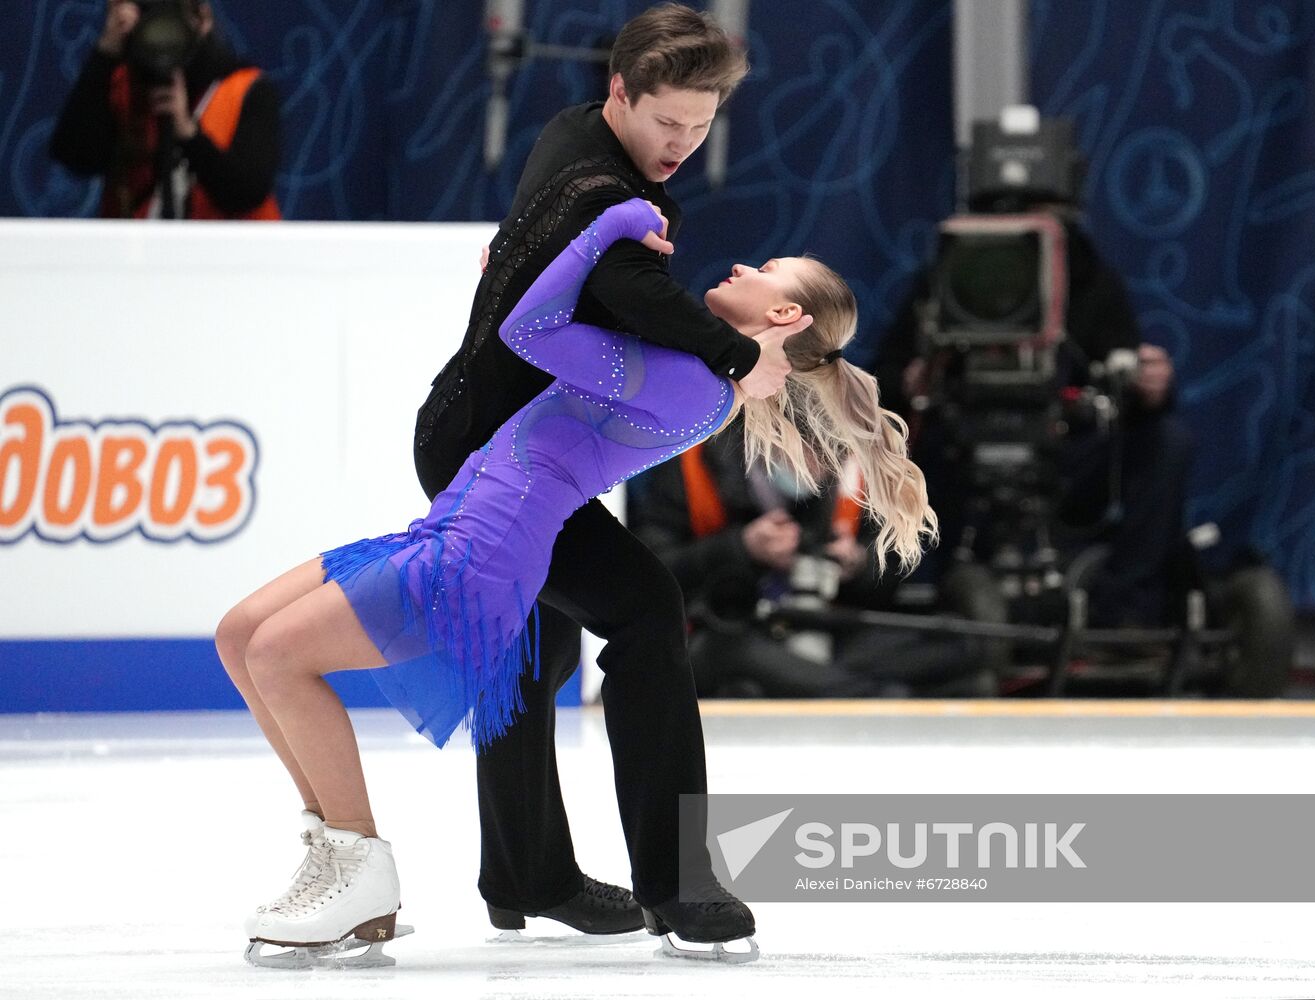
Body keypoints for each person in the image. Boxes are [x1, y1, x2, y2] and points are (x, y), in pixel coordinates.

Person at [214, 199, 934, 965]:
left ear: (784, 313)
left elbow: (532, 331)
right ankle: (345, 850)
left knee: (279, 657)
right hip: (453, 525)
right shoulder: (690, 363)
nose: (741, 266)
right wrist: (522, 263)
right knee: (239, 635)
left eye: (765, 271)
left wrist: (609, 224)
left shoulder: (692, 380)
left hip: (481, 553)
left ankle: (359, 862)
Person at [411, 4, 795, 949]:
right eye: (666, 121)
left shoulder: (573, 133)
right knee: (645, 611)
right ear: (619, 92)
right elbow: (627, 287)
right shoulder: (601, 188)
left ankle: (523, 875)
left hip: (483, 434)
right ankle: (680, 885)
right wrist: (737, 354)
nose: (682, 143)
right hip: (495, 457)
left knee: (531, 651)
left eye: (701, 125)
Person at [877, 206, 1191, 627]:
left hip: (1065, 452)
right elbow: (884, 380)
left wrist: (1151, 387)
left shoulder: (1092, 280)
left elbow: (1124, 388)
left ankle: (1123, 614)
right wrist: (911, 379)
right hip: (958, 452)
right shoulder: (948, 277)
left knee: (1167, 441)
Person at [630, 413, 985, 697]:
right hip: (729, 630)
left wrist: (859, 563)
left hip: (825, 628)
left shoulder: (850, 472)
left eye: (832, 453)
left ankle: (828, 688)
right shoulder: (692, 466)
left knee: (956, 647)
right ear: (770, 437)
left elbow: (893, 572)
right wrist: (740, 547)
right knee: (731, 654)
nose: (822, 467)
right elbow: (649, 573)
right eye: (812, 451)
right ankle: (875, 697)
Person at [49, 0, 281, 220]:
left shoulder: (246, 89)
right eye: (149, 11)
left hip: (228, 248)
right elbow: (75, 157)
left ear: (203, 19)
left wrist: (189, 134)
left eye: (172, 12)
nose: (161, 29)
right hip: (138, 246)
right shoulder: (120, 86)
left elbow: (248, 192)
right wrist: (106, 51)